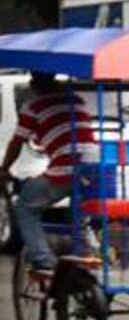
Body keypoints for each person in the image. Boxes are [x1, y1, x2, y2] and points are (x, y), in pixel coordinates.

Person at [0, 73, 97, 273]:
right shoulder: (77, 101)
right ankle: (85, 256)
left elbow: (17, 142)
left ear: (34, 85)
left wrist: (4, 169)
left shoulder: (33, 107)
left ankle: (44, 260)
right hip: (93, 171)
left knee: (25, 208)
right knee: (79, 216)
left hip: (63, 171)